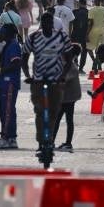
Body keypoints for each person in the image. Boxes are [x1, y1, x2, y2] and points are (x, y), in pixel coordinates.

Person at [23, 12, 71, 152]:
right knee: (40, 111)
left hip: (55, 81)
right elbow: (24, 57)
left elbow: (69, 60)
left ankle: (49, 139)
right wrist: (28, 76)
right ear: (41, 24)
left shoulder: (62, 37)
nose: (48, 26)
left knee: (53, 112)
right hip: (38, 81)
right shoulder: (33, 37)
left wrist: (63, 76)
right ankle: (41, 141)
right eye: (45, 24)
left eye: (50, 23)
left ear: (53, 23)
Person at [0, 24, 22, 149]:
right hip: (6, 82)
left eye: (2, 32)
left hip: (9, 82)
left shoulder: (14, 45)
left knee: (8, 111)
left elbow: (16, 63)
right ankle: (10, 138)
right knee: (7, 110)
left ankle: (6, 137)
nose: (1, 35)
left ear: (9, 33)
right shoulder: (9, 44)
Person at [52, 45, 82, 152]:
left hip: (68, 98)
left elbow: (63, 79)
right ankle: (53, 141)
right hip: (65, 98)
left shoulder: (71, 67)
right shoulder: (67, 65)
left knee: (65, 120)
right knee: (58, 120)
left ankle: (67, 143)